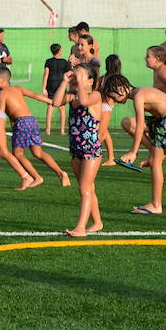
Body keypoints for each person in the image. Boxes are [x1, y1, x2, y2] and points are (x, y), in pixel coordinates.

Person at [101, 72, 166, 216]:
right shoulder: (138, 93)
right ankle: (153, 153)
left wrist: (133, 152)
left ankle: (156, 205)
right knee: (127, 122)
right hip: (161, 120)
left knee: (156, 163)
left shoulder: (138, 96)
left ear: (121, 89)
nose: (115, 100)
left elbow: (140, 125)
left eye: (114, 96)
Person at [0, 67, 69, 190]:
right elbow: (36, 96)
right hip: (31, 121)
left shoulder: (2, 93)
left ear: (3, 80)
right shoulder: (18, 88)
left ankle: (36, 177)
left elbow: (0, 114)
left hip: (21, 123)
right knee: (38, 153)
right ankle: (61, 173)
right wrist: (52, 102)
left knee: (17, 154)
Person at [57, 60, 103, 237]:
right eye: (74, 74)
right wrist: (64, 81)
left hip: (91, 150)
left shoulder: (95, 95)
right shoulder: (71, 96)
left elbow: (84, 101)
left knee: (84, 189)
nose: (76, 78)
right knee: (88, 188)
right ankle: (97, 222)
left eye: (80, 76)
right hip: (76, 150)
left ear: (90, 81)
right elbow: (56, 102)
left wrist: (81, 82)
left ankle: (81, 228)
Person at [42, 43, 67, 135]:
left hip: (51, 85)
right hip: (60, 86)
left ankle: (48, 130)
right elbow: (67, 74)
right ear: (59, 51)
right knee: (62, 107)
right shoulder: (64, 62)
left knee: (50, 106)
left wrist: (44, 88)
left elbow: (46, 74)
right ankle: (62, 130)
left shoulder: (48, 61)